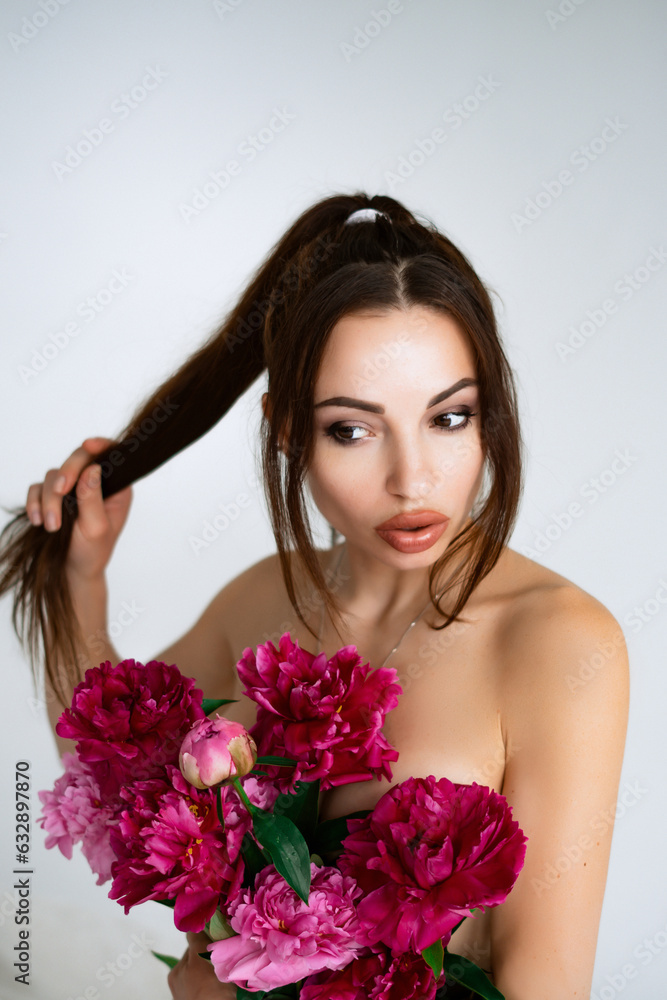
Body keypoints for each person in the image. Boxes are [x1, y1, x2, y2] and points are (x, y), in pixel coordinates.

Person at [1, 194, 629, 999]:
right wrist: (81, 581)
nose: (412, 480)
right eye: (351, 430)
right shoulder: (263, 601)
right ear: (287, 430)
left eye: (449, 417)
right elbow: (111, 784)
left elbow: (545, 988)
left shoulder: (559, 642)